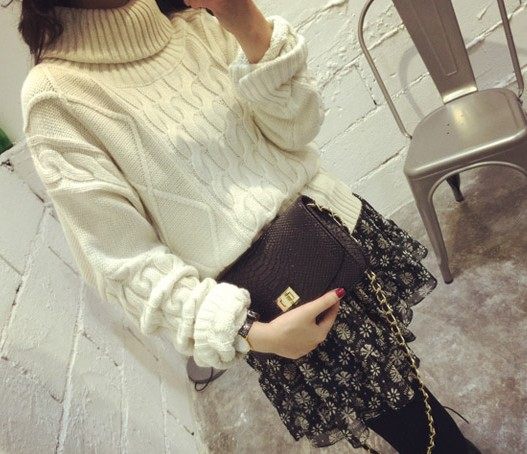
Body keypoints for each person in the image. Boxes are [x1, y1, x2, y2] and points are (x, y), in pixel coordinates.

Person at [12, 0, 480, 451]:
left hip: (342, 231)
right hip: (280, 304)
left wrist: (246, 22)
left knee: (406, 387)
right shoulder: (57, 98)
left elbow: (297, 131)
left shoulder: (198, 23)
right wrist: (250, 332)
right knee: (412, 424)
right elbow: (126, 264)